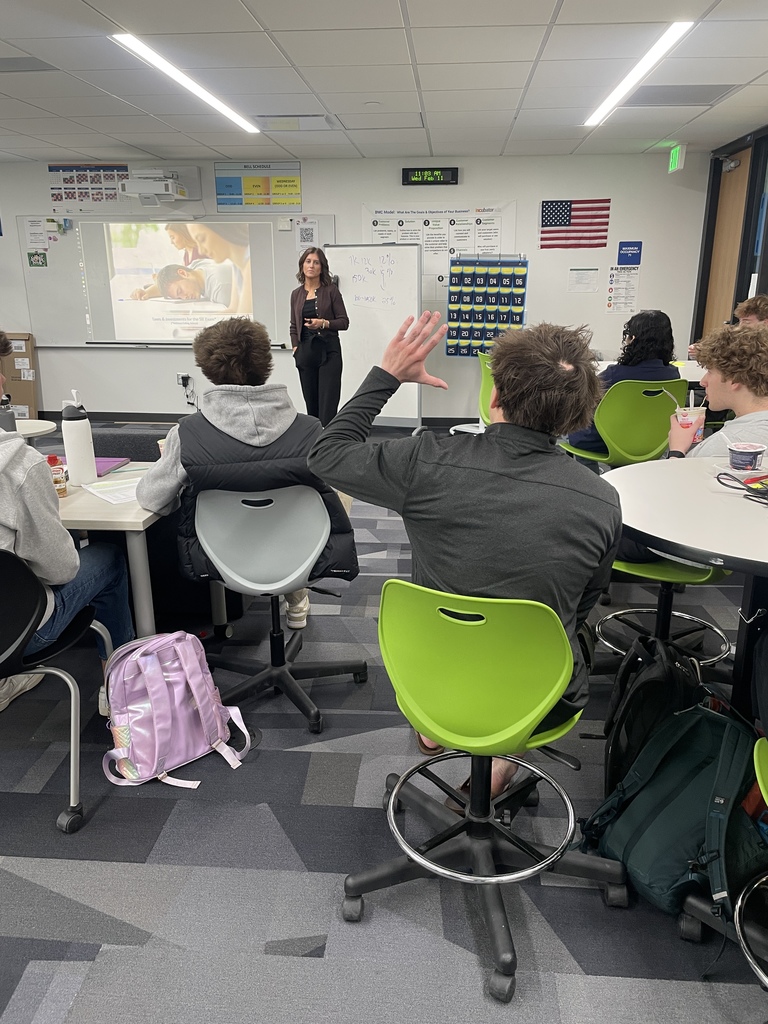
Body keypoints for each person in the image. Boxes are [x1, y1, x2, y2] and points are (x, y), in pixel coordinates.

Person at [308, 313, 622, 796]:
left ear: (494, 396)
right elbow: (585, 601)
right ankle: (503, 757)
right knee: (563, 625)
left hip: (428, 677)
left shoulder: (426, 460)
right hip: (542, 695)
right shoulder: (600, 498)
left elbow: (325, 455)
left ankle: (442, 721)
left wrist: (386, 377)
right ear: (577, 415)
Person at [136, 317, 358, 630]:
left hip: (223, 560)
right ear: (265, 363)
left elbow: (151, 499)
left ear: (207, 369)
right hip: (300, 552)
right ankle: (296, 594)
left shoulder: (186, 435)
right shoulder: (312, 431)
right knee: (330, 490)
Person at [0, 331, 135, 713]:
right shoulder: (19, 466)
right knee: (107, 558)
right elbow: (61, 569)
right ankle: (119, 683)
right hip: (19, 634)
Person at [567, 309, 680, 458]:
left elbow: (586, 395)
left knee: (572, 428)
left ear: (633, 339)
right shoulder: (673, 374)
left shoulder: (615, 374)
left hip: (603, 442)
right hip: (652, 442)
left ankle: (590, 475)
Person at [668, 322, 768, 459]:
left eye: (709, 371)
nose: (703, 382)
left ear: (734, 379)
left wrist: (676, 450)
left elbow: (675, 479)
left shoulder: (727, 445)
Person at [290, 247, 349, 426]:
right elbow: (293, 325)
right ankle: (315, 445)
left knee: (328, 404)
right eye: (308, 261)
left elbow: (344, 322)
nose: (311, 266)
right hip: (305, 352)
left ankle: (329, 445)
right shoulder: (296, 294)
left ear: (322, 268)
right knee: (311, 404)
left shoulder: (331, 291)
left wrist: (323, 323)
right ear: (302, 266)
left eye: (316, 262)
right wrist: (295, 349)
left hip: (329, 351)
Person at [188, 223, 252, 316]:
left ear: (221, 228)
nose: (201, 251)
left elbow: (244, 323)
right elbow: (233, 310)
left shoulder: (251, 265)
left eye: (202, 240)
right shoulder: (237, 265)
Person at [687, 293, 768, 357]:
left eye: (747, 322)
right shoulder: (739, 338)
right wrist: (704, 351)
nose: (740, 326)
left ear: (765, 323)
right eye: (740, 321)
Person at [154, 259, 233, 305]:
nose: (184, 298)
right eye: (179, 298)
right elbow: (169, 287)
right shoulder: (196, 266)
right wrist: (146, 292)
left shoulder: (220, 289)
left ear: (183, 273)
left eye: (180, 291)